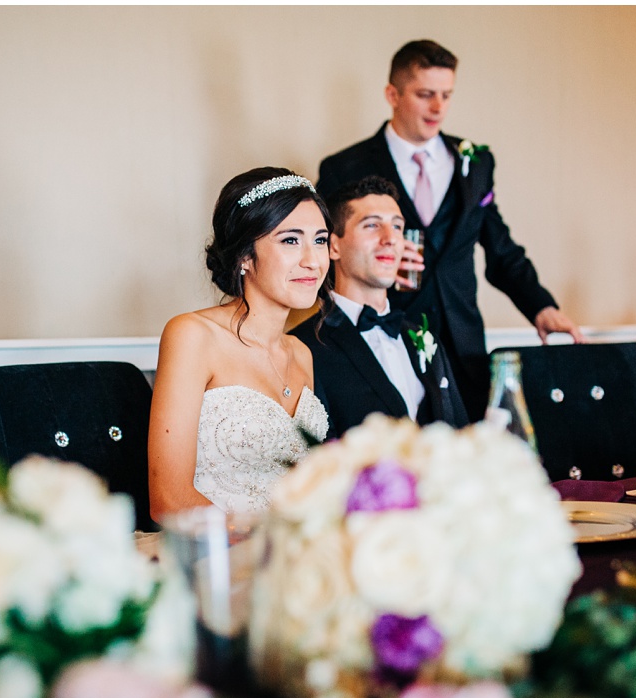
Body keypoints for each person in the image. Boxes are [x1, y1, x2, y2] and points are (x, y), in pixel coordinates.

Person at [317, 39, 583, 420]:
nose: (438, 107)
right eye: (425, 94)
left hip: (465, 343)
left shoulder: (475, 163)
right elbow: (323, 248)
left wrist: (541, 306)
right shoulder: (345, 167)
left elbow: (500, 246)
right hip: (388, 338)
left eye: (446, 95)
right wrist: (379, 260)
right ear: (393, 94)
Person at [148, 167, 331, 520]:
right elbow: (168, 498)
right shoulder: (192, 335)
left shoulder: (301, 354)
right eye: (291, 240)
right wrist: (261, 549)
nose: (312, 260)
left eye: (320, 240)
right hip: (215, 556)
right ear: (245, 256)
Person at [292, 176, 469, 439]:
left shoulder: (425, 338)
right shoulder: (303, 347)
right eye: (372, 225)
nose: (390, 239)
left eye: (397, 227)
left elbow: (462, 436)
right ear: (333, 246)